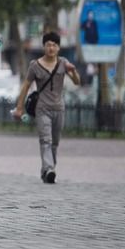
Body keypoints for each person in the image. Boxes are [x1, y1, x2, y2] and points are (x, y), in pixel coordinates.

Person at [13, 31, 80, 184]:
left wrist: (73, 71)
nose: (51, 48)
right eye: (48, 45)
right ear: (44, 47)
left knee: (55, 142)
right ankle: (49, 168)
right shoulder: (35, 65)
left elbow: (77, 82)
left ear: (58, 48)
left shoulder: (64, 63)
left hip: (59, 108)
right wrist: (19, 107)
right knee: (46, 140)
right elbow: (26, 86)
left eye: (54, 45)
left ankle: (47, 170)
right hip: (42, 108)